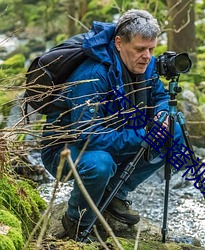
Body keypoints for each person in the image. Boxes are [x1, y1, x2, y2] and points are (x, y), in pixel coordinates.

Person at [41, 9, 184, 241]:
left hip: (115, 135)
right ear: (119, 43)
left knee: (174, 131)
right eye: (140, 49)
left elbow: (160, 97)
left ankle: (115, 193)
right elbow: (87, 136)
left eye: (151, 49)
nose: (147, 56)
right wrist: (144, 135)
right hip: (66, 150)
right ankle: (76, 221)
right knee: (100, 164)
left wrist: (162, 115)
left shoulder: (145, 65)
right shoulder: (92, 75)